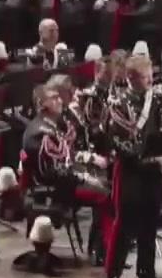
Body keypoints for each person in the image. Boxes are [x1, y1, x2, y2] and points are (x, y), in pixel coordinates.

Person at [21, 78, 114, 264]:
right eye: (53, 98)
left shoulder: (52, 124)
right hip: (54, 188)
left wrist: (89, 160)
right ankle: (102, 251)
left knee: (109, 185)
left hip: (64, 180)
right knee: (105, 194)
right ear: (42, 104)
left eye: (58, 97)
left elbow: (67, 155)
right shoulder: (40, 132)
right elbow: (54, 172)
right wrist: (85, 177)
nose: (60, 101)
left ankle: (101, 247)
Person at [103, 57, 162, 278]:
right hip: (131, 169)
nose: (150, 80)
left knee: (150, 221)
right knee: (125, 222)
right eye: (144, 76)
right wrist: (145, 157)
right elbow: (116, 141)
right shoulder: (118, 103)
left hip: (154, 169)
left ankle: (146, 270)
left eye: (150, 75)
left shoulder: (157, 98)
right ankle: (113, 273)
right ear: (130, 78)